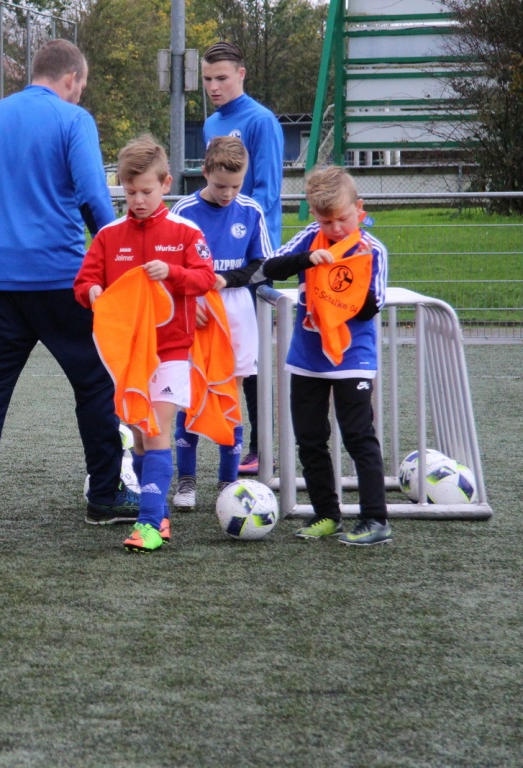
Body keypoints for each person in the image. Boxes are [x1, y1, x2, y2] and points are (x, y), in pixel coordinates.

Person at [0, 38, 134, 531]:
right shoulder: (74, 120)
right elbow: (93, 198)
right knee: (95, 384)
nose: (80, 94)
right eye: (81, 86)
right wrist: (113, 263)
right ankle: (104, 497)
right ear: (71, 78)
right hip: (62, 281)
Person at [74, 135, 216, 553]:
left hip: (171, 350)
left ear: (166, 184)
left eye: (146, 191)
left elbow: (205, 278)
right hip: (127, 357)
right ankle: (158, 510)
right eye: (130, 191)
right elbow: (84, 281)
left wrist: (172, 273)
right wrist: (92, 293)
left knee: (156, 432)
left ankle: (151, 523)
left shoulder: (185, 232)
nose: (137, 200)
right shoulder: (108, 235)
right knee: (138, 439)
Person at [256, 166, 392, 546]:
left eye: (343, 219)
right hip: (307, 358)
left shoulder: (372, 250)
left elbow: (372, 308)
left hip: (352, 359)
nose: (335, 229)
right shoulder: (309, 239)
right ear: (314, 215)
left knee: (358, 437)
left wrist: (349, 272)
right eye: (326, 221)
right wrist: (308, 259)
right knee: (310, 439)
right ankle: (327, 515)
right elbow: (270, 267)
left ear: (359, 208)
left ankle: (375, 519)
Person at [168, 136, 271, 508]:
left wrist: (227, 279)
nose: (228, 194)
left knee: (230, 395)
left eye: (236, 186)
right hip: (193, 311)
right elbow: (169, 267)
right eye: (220, 185)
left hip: (236, 312)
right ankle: (186, 482)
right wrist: (186, 299)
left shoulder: (251, 211)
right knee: (190, 396)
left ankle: (229, 483)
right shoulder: (184, 210)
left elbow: (263, 265)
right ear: (205, 172)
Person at [202, 41, 285, 476]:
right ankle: (223, 439)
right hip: (218, 266)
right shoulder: (212, 122)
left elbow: (267, 191)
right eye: (207, 79)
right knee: (217, 354)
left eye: (221, 78)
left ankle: (260, 444)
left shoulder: (260, 120)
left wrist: (251, 252)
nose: (214, 87)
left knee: (251, 360)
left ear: (241, 74)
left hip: (251, 260)